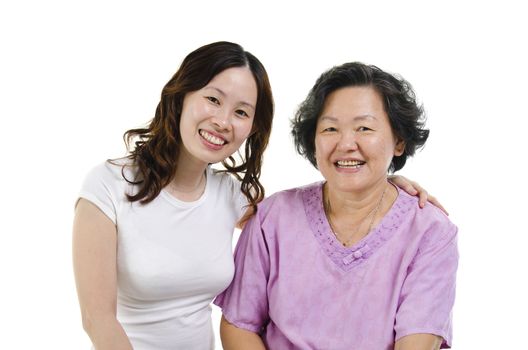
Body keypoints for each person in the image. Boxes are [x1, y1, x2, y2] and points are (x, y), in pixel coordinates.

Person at [73, 41, 441, 350]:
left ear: (251, 126)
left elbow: (332, 202)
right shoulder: (108, 186)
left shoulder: (230, 196)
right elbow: (96, 319)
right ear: (180, 95)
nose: (223, 121)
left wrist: (389, 181)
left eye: (241, 112)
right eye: (213, 100)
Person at [216, 62, 458, 350]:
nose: (346, 144)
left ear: (399, 141)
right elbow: (239, 324)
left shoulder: (430, 232)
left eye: (364, 128)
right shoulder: (273, 217)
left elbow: (417, 341)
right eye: (330, 128)